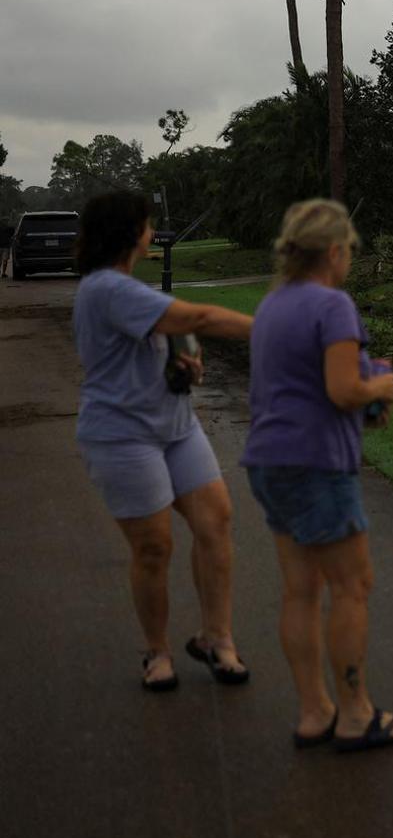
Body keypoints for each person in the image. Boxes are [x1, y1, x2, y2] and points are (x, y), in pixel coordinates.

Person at [241, 199, 393, 753]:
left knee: (300, 590)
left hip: (268, 460)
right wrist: (380, 389)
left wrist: (361, 385)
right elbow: (344, 390)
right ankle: (355, 713)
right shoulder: (333, 304)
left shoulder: (273, 304)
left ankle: (314, 711)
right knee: (351, 585)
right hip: (316, 464)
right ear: (336, 251)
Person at [71, 191, 255, 692]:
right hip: (122, 436)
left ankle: (217, 639)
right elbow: (196, 318)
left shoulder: (124, 287)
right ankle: (157, 652)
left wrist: (183, 365)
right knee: (154, 547)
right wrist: (273, 330)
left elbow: (168, 339)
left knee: (214, 521)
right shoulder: (106, 287)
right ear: (133, 232)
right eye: (148, 225)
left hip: (175, 426)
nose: (153, 233)